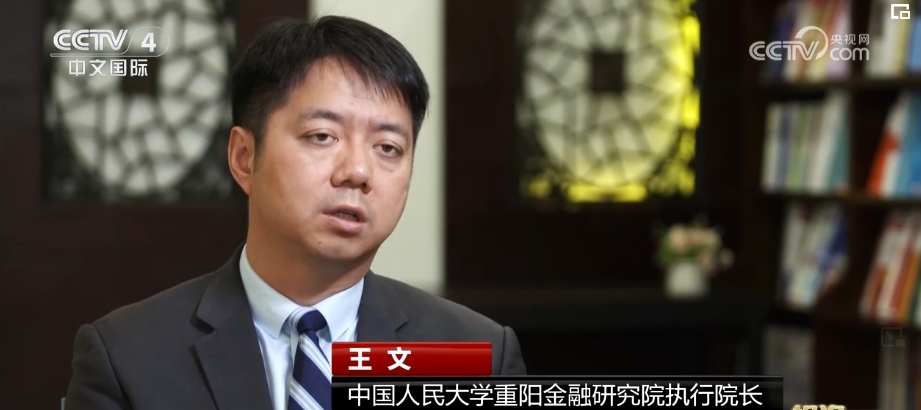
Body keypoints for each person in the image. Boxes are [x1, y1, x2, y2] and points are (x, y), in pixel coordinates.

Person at [63, 16, 526, 410]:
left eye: (388, 147)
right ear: (245, 157)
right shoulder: (127, 356)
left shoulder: (475, 356)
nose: (358, 171)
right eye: (323, 136)